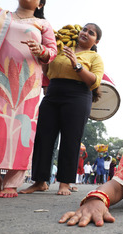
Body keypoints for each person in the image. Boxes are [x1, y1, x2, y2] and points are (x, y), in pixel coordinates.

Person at [20, 23, 104, 195]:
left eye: (91, 33)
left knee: (70, 139)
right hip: (54, 92)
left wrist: (77, 64)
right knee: (44, 136)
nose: (86, 33)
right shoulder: (62, 47)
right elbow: (48, 69)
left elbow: (94, 81)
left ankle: (65, 183)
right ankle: (40, 181)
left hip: (78, 95)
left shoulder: (95, 58)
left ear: (97, 40)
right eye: (84, 29)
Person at [0, 0, 57, 198]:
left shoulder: (43, 24)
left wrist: (41, 51)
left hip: (27, 81)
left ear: (40, 4)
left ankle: (12, 183)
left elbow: (52, 51)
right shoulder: (2, 16)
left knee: (22, 128)